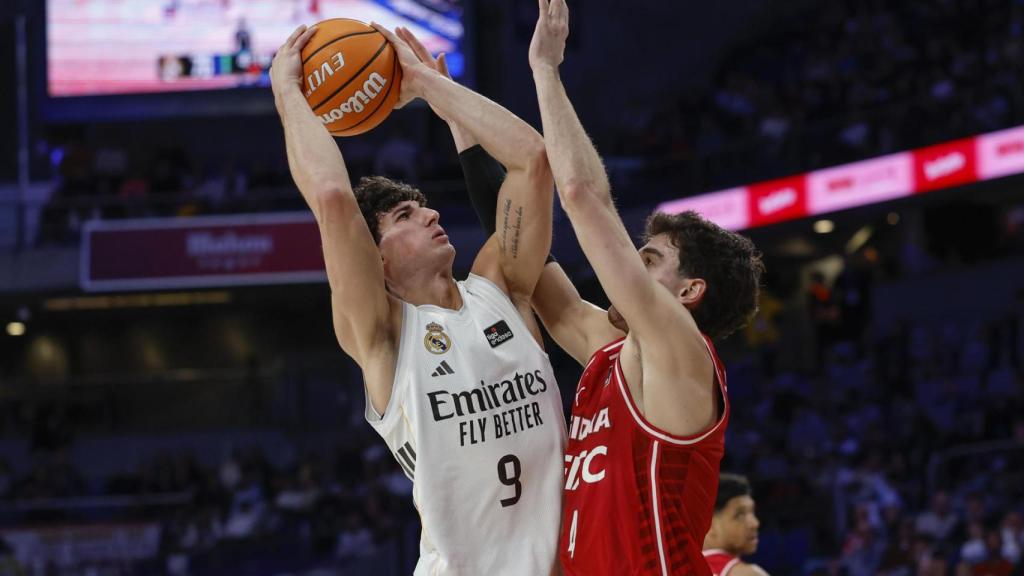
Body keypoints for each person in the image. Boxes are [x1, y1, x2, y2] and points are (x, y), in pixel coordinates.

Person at [450, 1, 764, 573]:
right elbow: (525, 257)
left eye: (650, 260)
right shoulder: (613, 353)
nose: (629, 266)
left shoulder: (681, 350)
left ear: (689, 292)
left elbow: (582, 195)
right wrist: (459, 124)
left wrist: (545, 70)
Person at [270, 23, 566, 575]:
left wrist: (432, 87)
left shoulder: (501, 286)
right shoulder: (383, 335)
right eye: (405, 216)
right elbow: (332, 198)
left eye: (423, 206)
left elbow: (532, 160)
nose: (430, 214)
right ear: (377, 259)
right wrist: (289, 96)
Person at [703, 473, 770, 576]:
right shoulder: (748, 574)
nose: (755, 523)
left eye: (752, 512)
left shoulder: (680, 568)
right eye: (740, 515)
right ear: (709, 524)